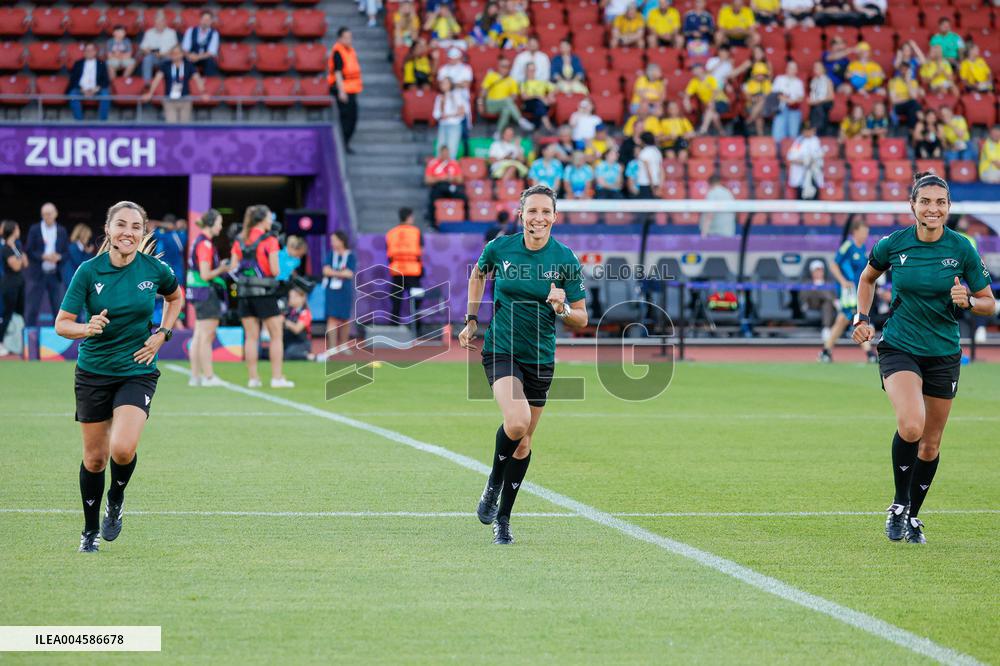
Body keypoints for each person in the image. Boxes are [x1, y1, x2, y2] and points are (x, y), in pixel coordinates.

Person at [852, 172, 994, 544]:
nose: (933, 209)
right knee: (912, 426)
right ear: (912, 205)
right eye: (926, 201)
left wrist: (970, 301)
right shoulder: (893, 244)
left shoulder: (961, 248)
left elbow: (989, 303)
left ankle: (913, 515)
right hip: (900, 346)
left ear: (948, 207)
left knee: (930, 444)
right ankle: (899, 505)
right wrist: (861, 318)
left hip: (943, 353)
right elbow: (867, 279)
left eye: (940, 202)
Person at [54, 201, 185, 553]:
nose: (128, 232)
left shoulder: (155, 269)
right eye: (121, 225)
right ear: (108, 230)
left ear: (143, 232)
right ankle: (89, 531)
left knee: (123, 449)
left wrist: (163, 333)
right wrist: (86, 327)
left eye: (136, 226)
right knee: (95, 459)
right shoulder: (88, 271)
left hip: (137, 370)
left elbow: (175, 298)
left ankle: (116, 498)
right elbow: (62, 324)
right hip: (93, 373)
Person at [459, 184, 587, 545]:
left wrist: (561, 307)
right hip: (501, 348)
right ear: (521, 215)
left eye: (545, 212)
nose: (538, 218)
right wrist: (471, 319)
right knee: (517, 421)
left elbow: (581, 318)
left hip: (540, 357)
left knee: (524, 442)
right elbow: (478, 274)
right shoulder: (500, 248)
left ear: (555, 217)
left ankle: (503, 519)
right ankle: (493, 483)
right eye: (532, 211)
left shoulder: (565, 259)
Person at [230, 205, 294, 389]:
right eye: (269, 217)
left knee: (251, 337)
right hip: (265, 293)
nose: (271, 221)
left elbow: (233, 268)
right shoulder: (270, 240)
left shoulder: (240, 239)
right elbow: (275, 270)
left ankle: (253, 379)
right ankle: (277, 378)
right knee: (276, 335)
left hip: (244, 294)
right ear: (263, 220)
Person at [186, 209, 233, 387]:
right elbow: (205, 275)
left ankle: (195, 377)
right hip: (205, 292)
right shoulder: (205, 244)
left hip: (197, 291)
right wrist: (222, 269)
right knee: (206, 336)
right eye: (219, 223)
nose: (221, 227)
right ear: (211, 223)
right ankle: (208, 377)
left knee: (199, 335)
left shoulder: (199, 241)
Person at [819, 218, 875, 363]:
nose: (865, 235)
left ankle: (826, 351)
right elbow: (833, 265)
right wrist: (843, 281)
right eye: (863, 232)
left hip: (858, 290)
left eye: (867, 233)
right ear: (855, 232)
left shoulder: (862, 248)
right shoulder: (848, 246)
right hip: (848, 292)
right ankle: (869, 353)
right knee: (856, 318)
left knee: (843, 319)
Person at [25, 202, 68, 327]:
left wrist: (58, 257)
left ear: (55, 214)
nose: (46, 217)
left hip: (55, 274)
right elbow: (29, 250)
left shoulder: (61, 230)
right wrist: (43, 256)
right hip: (38, 275)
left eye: (49, 214)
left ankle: (58, 336)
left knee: (58, 309)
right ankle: (30, 335)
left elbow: (66, 253)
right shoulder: (35, 229)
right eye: (44, 214)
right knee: (32, 308)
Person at [142, 45, 208, 123]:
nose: (174, 55)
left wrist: (203, 92)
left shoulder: (188, 65)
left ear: (182, 54)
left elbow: (198, 79)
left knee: (185, 125)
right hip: (169, 100)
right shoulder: (165, 65)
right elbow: (156, 80)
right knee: (171, 124)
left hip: (185, 99)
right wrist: (150, 93)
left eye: (177, 53)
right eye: (172, 53)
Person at [319, 231, 356, 358]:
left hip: (345, 290)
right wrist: (340, 273)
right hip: (332, 291)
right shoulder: (331, 254)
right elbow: (325, 271)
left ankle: (344, 345)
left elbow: (349, 274)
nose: (332, 243)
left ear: (342, 241)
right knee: (332, 318)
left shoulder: (350, 256)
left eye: (334, 240)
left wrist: (333, 272)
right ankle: (332, 347)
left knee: (345, 318)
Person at [385, 208, 423, 325]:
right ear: (409, 217)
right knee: (416, 299)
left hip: (397, 270)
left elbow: (389, 252)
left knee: (396, 299)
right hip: (413, 271)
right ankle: (416, 326)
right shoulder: (416, 232)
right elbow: (421, 250)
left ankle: (394, 325)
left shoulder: (391, 233)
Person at [329, 27, 363, 154]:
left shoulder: (350, 50)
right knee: (346, 120)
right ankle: (341, 145)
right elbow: (337, 72)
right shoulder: (338, 52)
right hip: (344, 90)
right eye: (346, 37)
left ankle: (345, 143)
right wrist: (341, 91)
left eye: (350, 37)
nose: (349, 40)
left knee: (352, 119)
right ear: (340, 38)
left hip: (352, 89)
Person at [0, 220, 27, 357]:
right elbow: (16, 266)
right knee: (7, 314)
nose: (19, 231)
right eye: (17, 228)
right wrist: (20, 259)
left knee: (19, 314)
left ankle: (16, 344)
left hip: (19, 283)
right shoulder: (5, 248)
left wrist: (19, 258)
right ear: (12, 230)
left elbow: (25, 263)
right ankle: (0, 342)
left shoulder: (18, 245)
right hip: (9, 285)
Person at [68, 42, 111, 122]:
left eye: (91, 50)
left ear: (95, 52)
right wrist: (82, 90)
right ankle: (79, 122)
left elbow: (105, 80)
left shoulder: (101, 63)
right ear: (84, 52)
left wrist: (97, 89)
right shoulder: (78, 63)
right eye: (87, 50)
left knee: (105, 95)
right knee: (72, 95)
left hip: (96, 89)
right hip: (81, 89)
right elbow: (73, 80)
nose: (89, 52)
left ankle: (102, 122)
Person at [786, 124, 824, 199]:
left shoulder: (816, 140)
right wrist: (805, 161)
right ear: (803, 131)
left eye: (811, 130)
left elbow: (820, 155)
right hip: (802, 175)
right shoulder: (798, 141)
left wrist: (811, 160)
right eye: (807, 131)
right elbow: (791, 157)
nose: (810, 132)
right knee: (802, 197)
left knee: (815, 197)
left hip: (813, 174)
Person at [181, 10, 220, 77]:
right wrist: (189, 55)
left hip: (205, 58)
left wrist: (198, 57)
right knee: (184, 60)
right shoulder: (191, 30)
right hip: (191, 56)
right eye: (203, 19)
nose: (205, 22)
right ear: (200, 20)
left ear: (211, 21)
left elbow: (211, 52)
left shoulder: (214, 33)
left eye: (207, 20)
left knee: (211, 62)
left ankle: (209, 81)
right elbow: (185, 48)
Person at [282, 286, 314, 360]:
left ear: (302, 298)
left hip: (301, 344)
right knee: (268, 352)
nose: (291, 299)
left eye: (294, 297)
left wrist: (284, 321)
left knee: (288, 353)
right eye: (290, 297)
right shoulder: (287, 311)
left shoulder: (305, 312)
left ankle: (309, 356)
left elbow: (297, 329)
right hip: (287, 342)